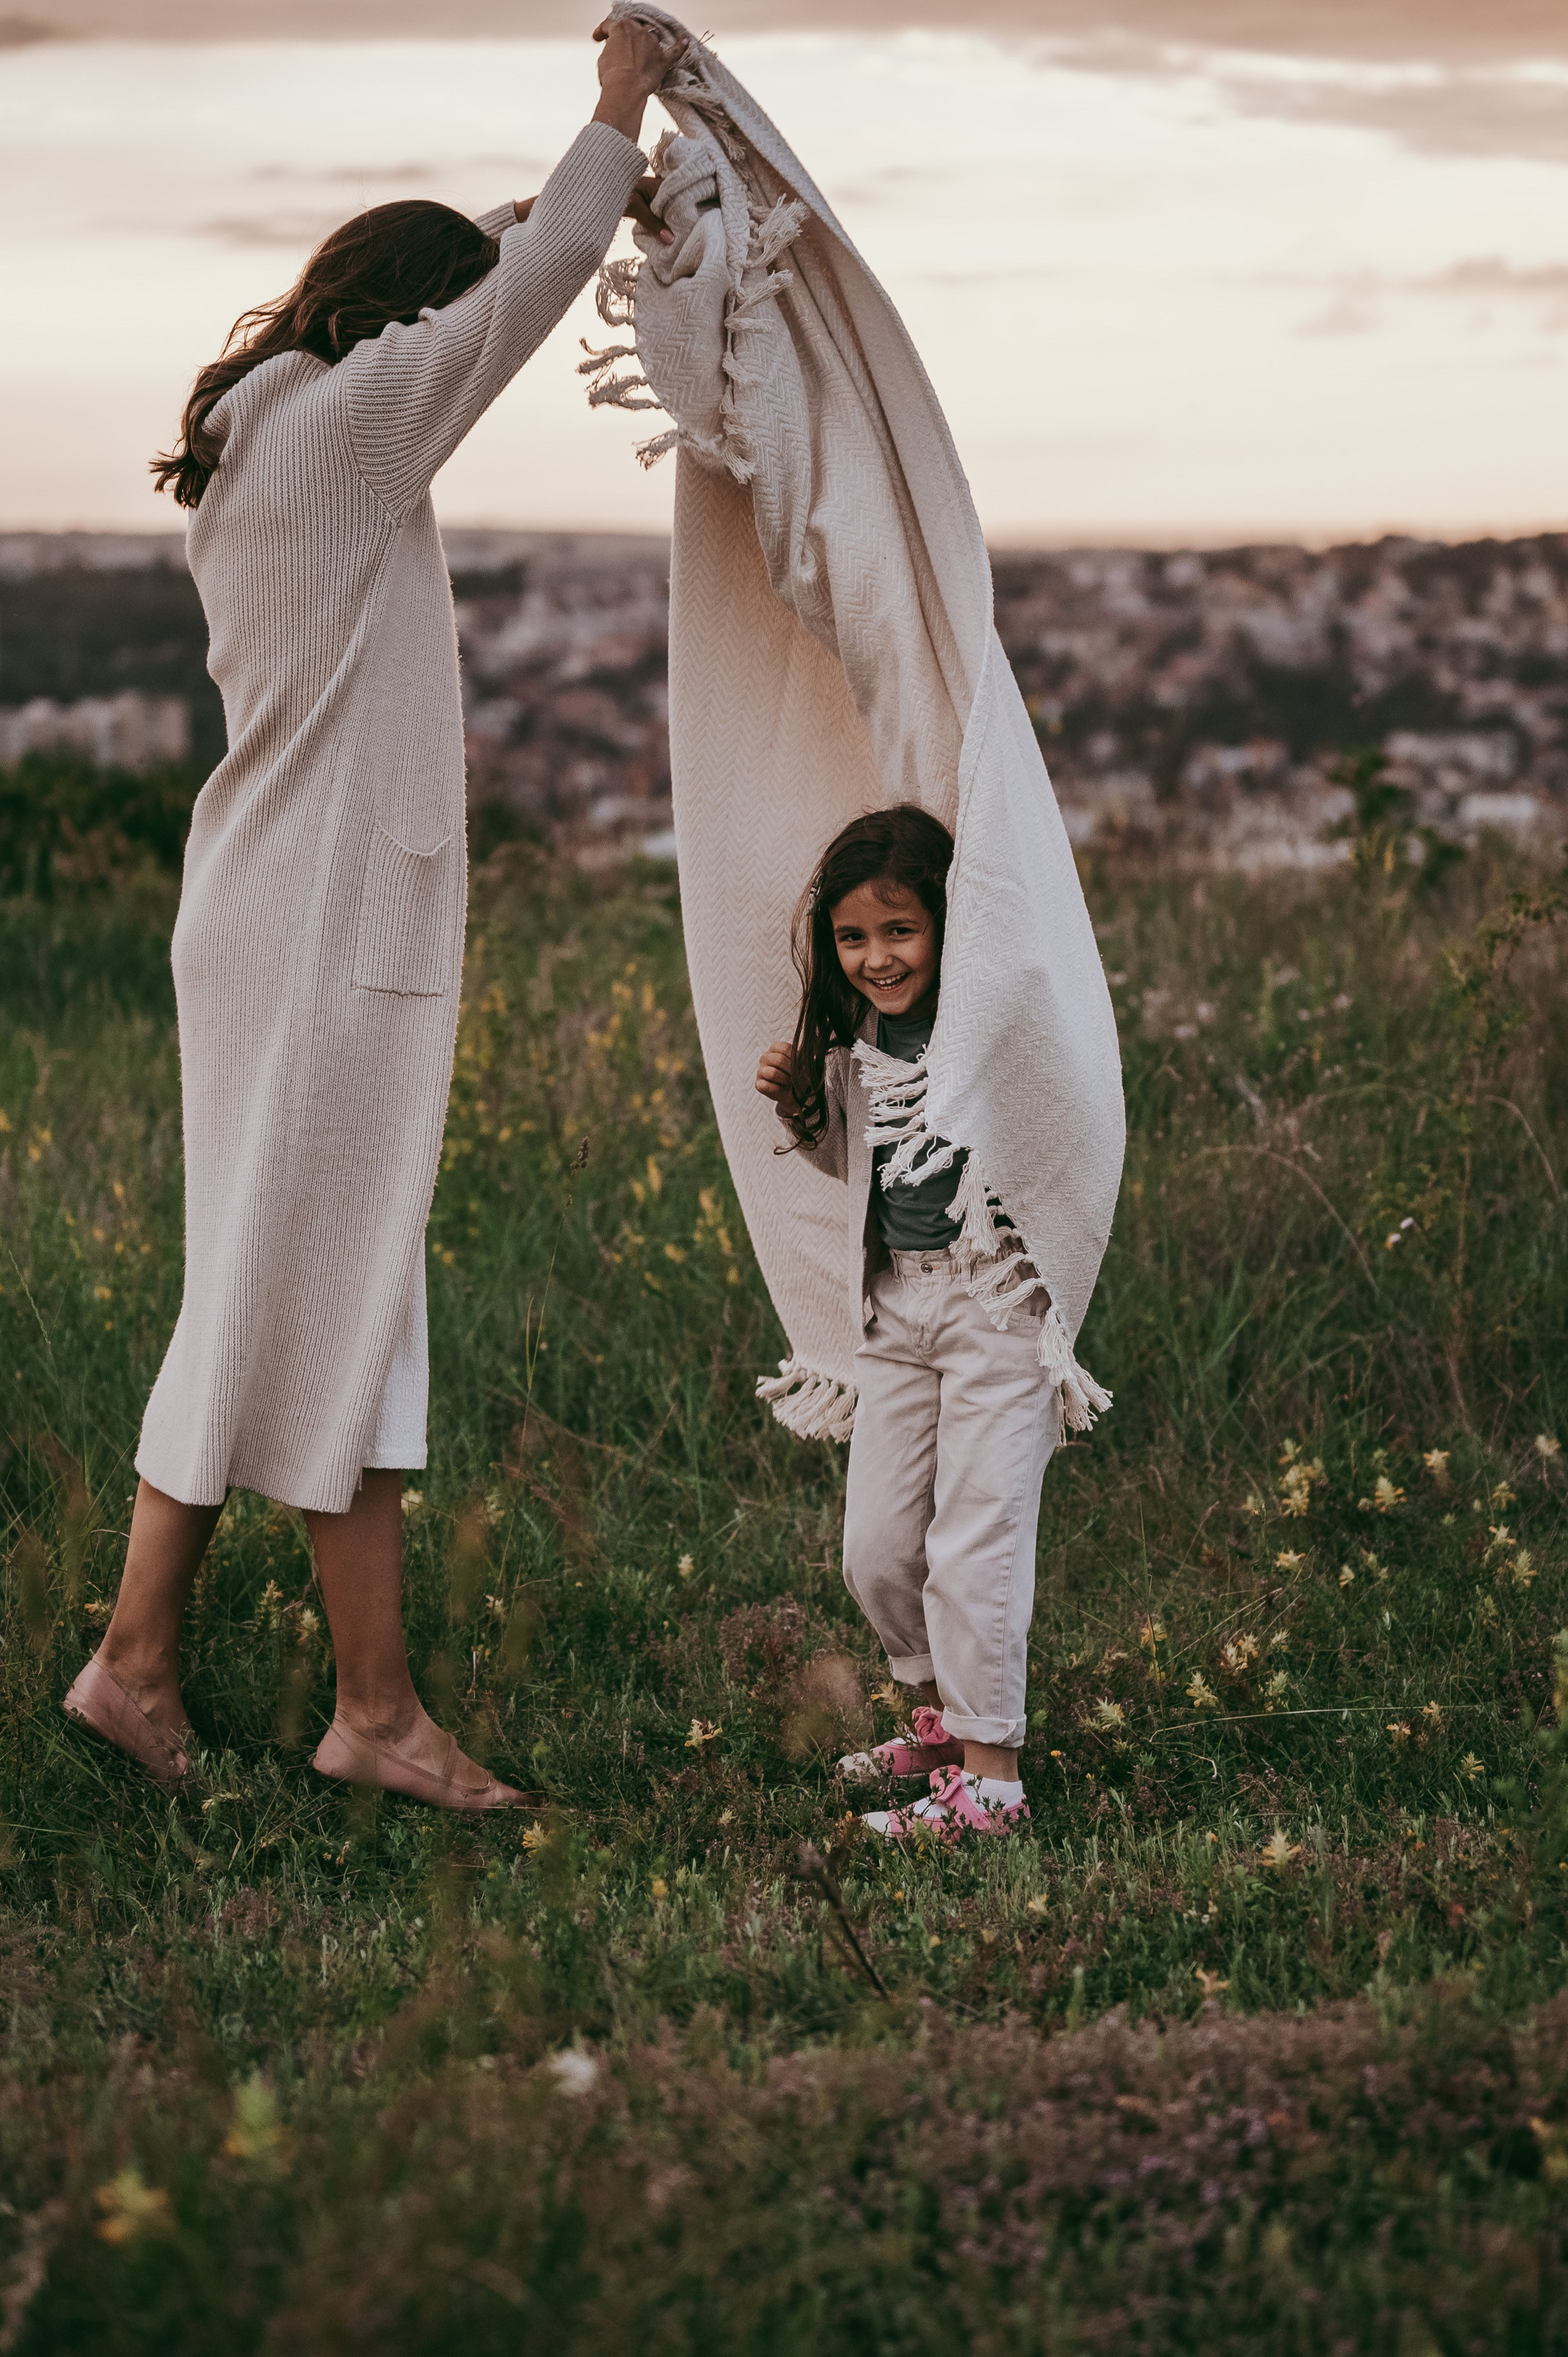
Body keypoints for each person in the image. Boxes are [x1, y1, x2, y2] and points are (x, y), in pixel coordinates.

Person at [64, 14, 686, 1812]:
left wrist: (517, 212)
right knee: (306, 1286)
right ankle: (185, 1674)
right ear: (402, 324)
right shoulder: (358, 430)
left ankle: (326, 1697)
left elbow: (482, 278)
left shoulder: (263, 419)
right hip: (335, 921)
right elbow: (533, 284)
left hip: (261, 907)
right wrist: (613, 111)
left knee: (317, 1289)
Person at [755, 806, 1061, 1840]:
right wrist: (807, 1109)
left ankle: (995, 1784)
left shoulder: (985, 1029)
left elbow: (1058, 1127)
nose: (878, 957)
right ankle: (943, 1724)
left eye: (900, 931)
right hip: (897, 1305)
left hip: (995, 1305)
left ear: (943, 925)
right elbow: (870, 1176)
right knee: (879, 1549)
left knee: (975, 1543)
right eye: (854, 937)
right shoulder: (863, 1039)